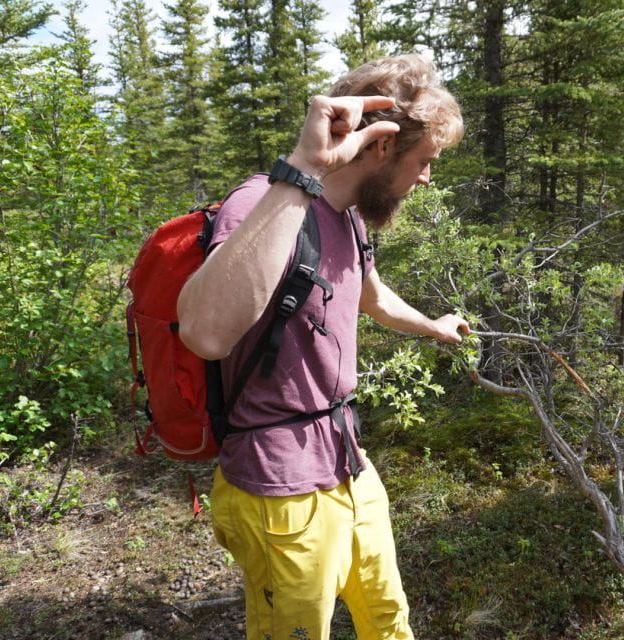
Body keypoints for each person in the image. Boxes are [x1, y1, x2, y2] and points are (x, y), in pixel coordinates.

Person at [177, 54, 468, 640]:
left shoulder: (349, 218)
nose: (426, 178)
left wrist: (434, 326)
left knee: (388, 618)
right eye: (424, 161)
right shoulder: (264, 204)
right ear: (382, 147)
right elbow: (204, 334)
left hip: (346, 460)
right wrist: (304, 168)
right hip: (279, 484)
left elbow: (374, 297)